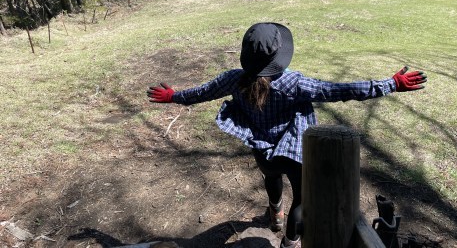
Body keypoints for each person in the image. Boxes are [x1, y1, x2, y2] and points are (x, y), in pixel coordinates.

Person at [147, 22, 427, 248]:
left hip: (262, 151)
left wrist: (174, 96)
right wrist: (389, 84)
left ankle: (275, 215)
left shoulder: (233, 79)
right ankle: (290, 242)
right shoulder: (293, 83)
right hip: (294, 152)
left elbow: (201, 93)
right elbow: (341, 91)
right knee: (302, 200)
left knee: (270, 177)